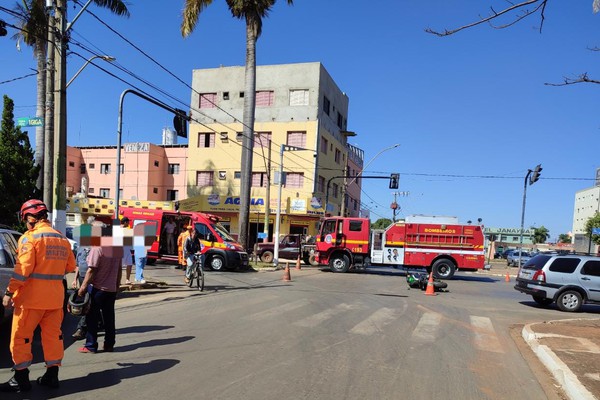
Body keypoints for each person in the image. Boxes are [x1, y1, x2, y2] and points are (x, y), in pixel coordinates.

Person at [0, 200, 76, 392]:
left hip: (31, 301)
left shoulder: (30, 238)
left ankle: (21, 379)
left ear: (30, 217)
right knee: (53, 338)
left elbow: (22, 270)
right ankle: (52, 376)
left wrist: (9, 292)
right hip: (55, 300)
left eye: (25, 218)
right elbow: (69, 267)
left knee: (21, 338)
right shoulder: (62, 239)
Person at [77, 239, 122, 353]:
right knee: (109, 318)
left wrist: (83, 287)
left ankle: (91, 345)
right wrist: (116, 285)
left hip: (97, 289)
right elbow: (119, 269)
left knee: (92, 318)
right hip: (111, 289)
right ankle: (109, 344)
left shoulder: (97, 248)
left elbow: (91, 269)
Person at [70, 243, 91, 340]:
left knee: (87, 303)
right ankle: (99, 323)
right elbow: (78, 265)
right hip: (82, 277)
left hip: (92, 278)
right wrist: (75, 279)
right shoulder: (80, 248)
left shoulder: (95, 247)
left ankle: (81, 328)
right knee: (86, 302)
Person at [120, 217, 133, 284]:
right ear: (125, 222)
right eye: (128, 222)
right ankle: (118, 280)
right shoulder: (118, 230)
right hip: (121, 250)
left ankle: (127, 279)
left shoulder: (128, 230)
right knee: (119, 266)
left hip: (127, 250)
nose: (128, 223)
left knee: (129, 264)